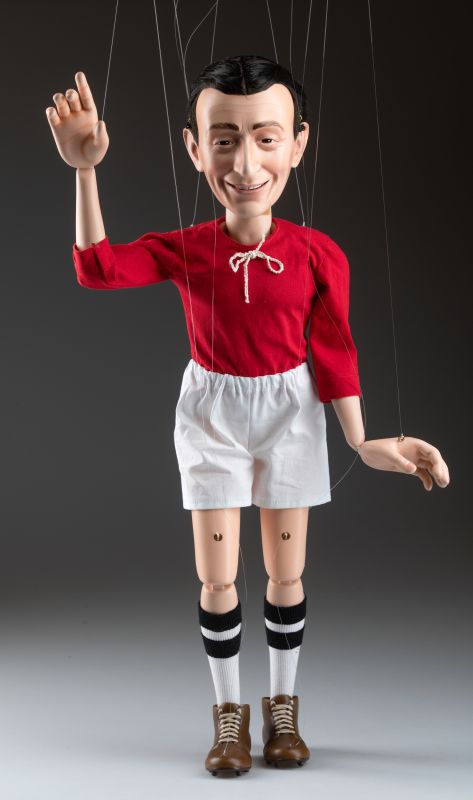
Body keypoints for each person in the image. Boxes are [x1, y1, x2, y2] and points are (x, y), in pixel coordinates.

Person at [45, 55, 450, 777]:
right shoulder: (189, 249)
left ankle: (282, 708)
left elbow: (334, 349)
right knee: (217, 578)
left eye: (266, 138)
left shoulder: (318, 254)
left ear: (298, 143)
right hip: (211, 413)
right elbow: (97, 269)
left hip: (291, 409)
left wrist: (362, 439)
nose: (245, 162)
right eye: (224, 140)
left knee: (287, 575)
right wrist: (85, 172)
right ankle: (228, 715)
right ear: (194, 149)